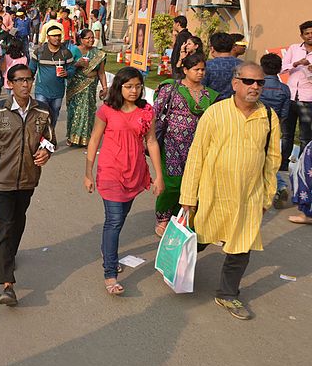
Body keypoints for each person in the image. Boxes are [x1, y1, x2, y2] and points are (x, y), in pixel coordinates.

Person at [179, 62, 280, 320]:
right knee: (198, 238)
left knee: (241, 247)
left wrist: (268, 195)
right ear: (235, 83)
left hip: (249, 197)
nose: (255, 87)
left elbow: (272, 160)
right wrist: (189, 197)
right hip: (214, 194)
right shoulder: (215, 113)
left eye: (259, 83)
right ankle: (177, 268)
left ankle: (228, 295)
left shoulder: (268, 116)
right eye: (249, 81)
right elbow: (196, 155)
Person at [0, 63, 54, 306]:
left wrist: (46, 152)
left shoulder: (42, 112)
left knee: (18, 222)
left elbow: (50, 140)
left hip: (29, 179)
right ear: (10, 83)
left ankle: (9, 253)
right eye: (20, 80)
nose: (25, 84)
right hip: (1, 180)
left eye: (29, 80)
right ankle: (7, 284)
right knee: (6, 224)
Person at [84, 67, 164, 295]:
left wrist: (159, 176)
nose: (134, 90)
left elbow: (152, 142)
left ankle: (106, 249)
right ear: (119, 87)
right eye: (129, 86)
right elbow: (94, 140)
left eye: (138, 86)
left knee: (120, 218)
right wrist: (88, 172)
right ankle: (110, 273)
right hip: (110, 172)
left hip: (135, 172)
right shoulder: (107, 110)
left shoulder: (147, 111)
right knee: (114, 221)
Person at [153, 53, 218, 236]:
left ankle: (178, 218)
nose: (200, 73)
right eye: (196, 69)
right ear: (185, 70)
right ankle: (163, 216)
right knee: (172, 184)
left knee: (190, 185)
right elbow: (155, 113)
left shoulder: (209, 95)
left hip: (198, 145)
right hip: (172, 143)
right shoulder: (171, 88)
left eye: (203, 69)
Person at [30, 23, 75, 141]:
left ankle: (49, 136)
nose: (57, 38)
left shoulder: (66, 53)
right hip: (41, 91)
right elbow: (31, 70)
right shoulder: (39, 52)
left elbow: (72, 69)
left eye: (59, 36)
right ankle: (39, 139)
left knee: (54, 115)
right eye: (54, 36)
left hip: (58, 92)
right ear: (48, 37)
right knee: (41, 115)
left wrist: (67, 73)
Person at [258, 53, 291, 208]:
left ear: (261, 67)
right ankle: (280, 185)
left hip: (256, 125)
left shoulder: (257, 86)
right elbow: (285, 114)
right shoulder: (284, 89)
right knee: (270, 159)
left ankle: (279, 185)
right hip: (274, 126)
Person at [66, 29, 108, 147]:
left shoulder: (98, 53)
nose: (91, 40)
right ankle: (71, 136)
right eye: (88, 38)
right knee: (74, 111)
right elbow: (67, 68)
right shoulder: (74, 50)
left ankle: (86, 138)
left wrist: (105, 88)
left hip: (91, 86)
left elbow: (101, 72)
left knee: (88, 111)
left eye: (92, 37)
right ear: (81, 39)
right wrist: (76, 64)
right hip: (75, 86)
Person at [279, 20, 312, 172]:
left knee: (306, 136)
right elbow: (281, 68)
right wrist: (296, 63)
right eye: (307, 33)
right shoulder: (293, 48)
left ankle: (304, 167)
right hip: (291, 96)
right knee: (287, 134)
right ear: (302, 35)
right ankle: (283, 165)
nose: (310, 36)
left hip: (308, 99)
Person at [203, 32, 242, 100]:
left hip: (212, 106)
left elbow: (200, 88)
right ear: (232, 47)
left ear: (212, 48)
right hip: (235, 106)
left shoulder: (207, 66)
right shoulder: (243, 66)